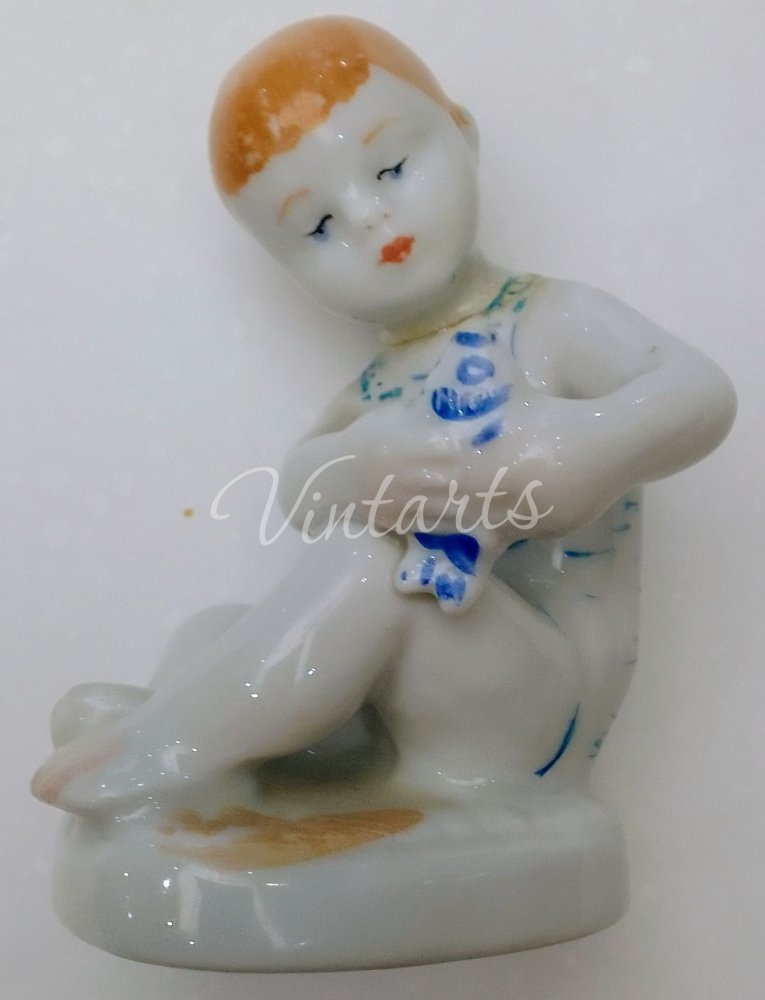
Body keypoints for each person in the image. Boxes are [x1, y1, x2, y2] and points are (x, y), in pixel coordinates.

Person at [32, 16, 735, 816]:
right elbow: (303, 491)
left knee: (368, 568)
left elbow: (698, 392)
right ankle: (191, 714)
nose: (369, 218)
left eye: (392, 167)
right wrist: (360, 467)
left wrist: (577, 452)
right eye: (319, 225)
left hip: (534, 717)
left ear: (463, 137)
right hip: (416, 706)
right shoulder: (378, 388)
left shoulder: (551, 320)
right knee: (219, 626)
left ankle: (173, 742)